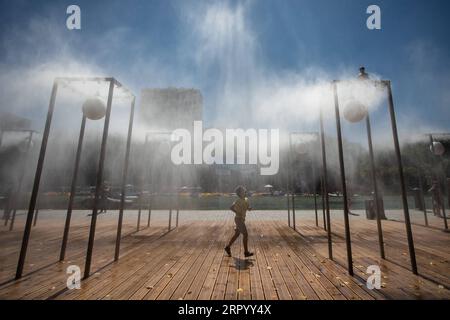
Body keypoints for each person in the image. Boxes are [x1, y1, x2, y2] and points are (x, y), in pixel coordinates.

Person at [224, 186, 254, 258]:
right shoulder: (237, 201)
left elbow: (246, 208)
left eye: (245, 190)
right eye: (243, 190)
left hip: (242, 219)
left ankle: (228, 247)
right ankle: (246, 252)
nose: (245, 191)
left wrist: (249, 208)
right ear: (240, 193)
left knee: (237, 234)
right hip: (238, 219)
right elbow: (231, 207)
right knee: (245, 234)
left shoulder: (246, 200)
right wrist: (237, 212)